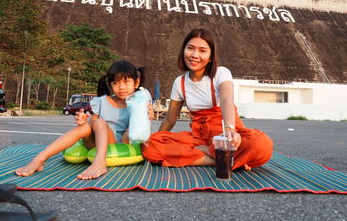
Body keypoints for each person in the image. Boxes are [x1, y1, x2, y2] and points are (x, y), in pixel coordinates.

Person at [142, 28, 273, 170]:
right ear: (183, 50)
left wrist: (230, 130)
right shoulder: (179, 82)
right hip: (199, 139)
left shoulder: (221, 73)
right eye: (190, 48)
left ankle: (208, 154)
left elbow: (226, 100)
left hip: (226, 135)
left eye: (202, 51)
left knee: (261, 144)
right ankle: (223, 160)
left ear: (211, 56)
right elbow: (169, 119)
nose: (194, 55)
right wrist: (156, 138)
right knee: (151, 146)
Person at [16, 60, 149, 180]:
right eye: (116, 83)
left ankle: (99, 162)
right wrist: (85, 120)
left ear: (136, 83)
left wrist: (144, 114)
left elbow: (131, 135)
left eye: (126, 82)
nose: (121, 87)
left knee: (99, 122)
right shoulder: (102, 101)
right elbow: (93, 122)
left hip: (115, 140)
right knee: (87, 126)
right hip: (94, 140)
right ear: (110, 84)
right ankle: (40, 158)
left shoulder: (137, 104)